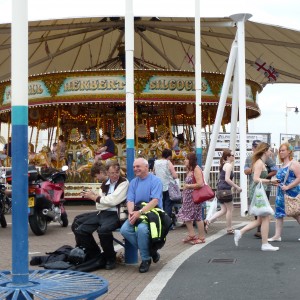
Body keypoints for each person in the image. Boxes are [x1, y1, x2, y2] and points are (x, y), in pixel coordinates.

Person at [71, 161, 129, 270]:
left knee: (103, 230)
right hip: (104, 212)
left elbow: (113, 201)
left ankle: (110, 258)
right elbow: (100, 205)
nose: (114, 175)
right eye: (111, 173)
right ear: (107, 172)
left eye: (116, 172)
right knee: (80, 228)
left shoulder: (124, 182)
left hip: (116, 214)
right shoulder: (104, 184)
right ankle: (95, 253)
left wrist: (95, 197)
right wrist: (101, 200)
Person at [120, 157, 163, 273]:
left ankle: (145, 259)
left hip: (153, 214)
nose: (135, 169)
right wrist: (130, 213)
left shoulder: (156, 181)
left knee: (142, 230)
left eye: (138, 166)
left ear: (146, 167)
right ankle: (151, 252)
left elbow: (155, 201)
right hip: (137, 212)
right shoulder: (134, 182)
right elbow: (130, 200)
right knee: (124, 230)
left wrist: (139, 212)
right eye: (134, 167)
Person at [234, 142, 279, 251]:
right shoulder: (259, 163)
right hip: (258, 193)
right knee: (266, 217)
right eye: (269, 150)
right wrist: (270, 181)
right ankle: (265, 244)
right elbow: (255, 179)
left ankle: (240, 232)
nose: (270, 152)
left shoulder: (260, 162)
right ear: (264, 151)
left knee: (260, 220)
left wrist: (271, 182)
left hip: (258, 192)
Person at [244, 139, 277, 238]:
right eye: (255, 147)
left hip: (264, 188)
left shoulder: (266, 159)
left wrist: (266, 177)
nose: (255, 148)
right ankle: (263, 238)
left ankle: (261, 235)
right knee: (263, 215)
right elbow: (248, 173)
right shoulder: (253, 159)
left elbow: (275, 170)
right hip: (258, 188)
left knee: (262, 216)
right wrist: (255, 171)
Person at [204, 149, 242, 234]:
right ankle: (229, 228)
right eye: (232, 155)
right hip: (225, 190)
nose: (234, 157)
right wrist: (237, 187)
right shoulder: (228, 165)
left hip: (219, 190)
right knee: (229, 209)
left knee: (223, 209)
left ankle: (208, 220)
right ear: (228, 157)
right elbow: (227, 179)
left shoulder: (223, 165)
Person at [268, 142, 300, 242]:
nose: (281, 152)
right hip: (281, 193)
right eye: (280, 150)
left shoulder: (294, 163)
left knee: (296, 213)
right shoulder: (282, 165)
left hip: (292, 192)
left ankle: (277, 235)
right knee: (279, 214)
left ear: (289, 151)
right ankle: (277, 235)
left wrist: (288, 186)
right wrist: (276, 183)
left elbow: (299, 178)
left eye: (283, 150)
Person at [177, 152, 206, 245]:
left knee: (197, 216)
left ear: (191, 160)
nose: (184, 161)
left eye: (186, 159)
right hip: (188, 197)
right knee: (186, 215)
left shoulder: (196, 169)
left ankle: (201, 237)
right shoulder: (190, 170)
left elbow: (200, 183)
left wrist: (188, 186)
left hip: (194, 197)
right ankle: (191, 234)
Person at [153, 148, 179, 221]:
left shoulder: (156, 162)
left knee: (161, 204)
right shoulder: (168, 162)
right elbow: (174, 175)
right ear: (169, 156)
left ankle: (161, 220)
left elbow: (154, 173)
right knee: (168, 204)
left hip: (159, 186)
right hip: (168, 186)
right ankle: (167, 222)